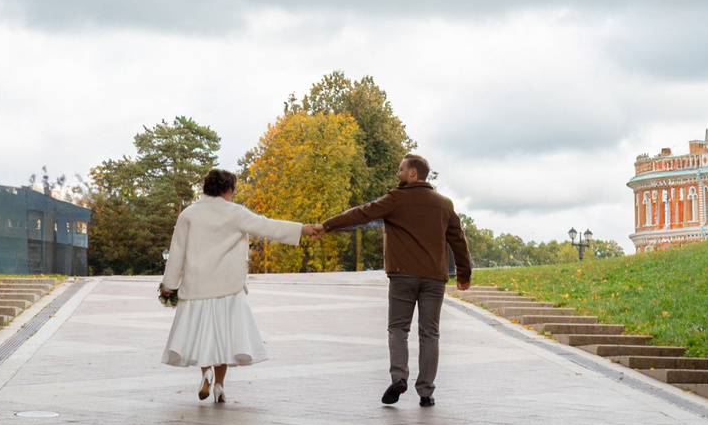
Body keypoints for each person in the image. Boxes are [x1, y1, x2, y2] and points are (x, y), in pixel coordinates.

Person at [319, 152, 472, 407]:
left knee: (399, 329)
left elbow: (360, 213)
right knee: (430, 333)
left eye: (401, 169)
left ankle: (399, 376)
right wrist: (464, 274)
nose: (398, 174)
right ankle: (426, 392)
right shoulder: (444, 205)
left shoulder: (396, 199)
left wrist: (326, 226)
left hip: (403, 276)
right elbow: (458, 240)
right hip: (434, 278)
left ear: (413, 173)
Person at [157, 168, 309, 404]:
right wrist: (302, 229)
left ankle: (205, 373)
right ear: (228, 189)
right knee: (224, 337)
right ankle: (219, 386)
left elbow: (177, 253)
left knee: (204, 337)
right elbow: (267, 226)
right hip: (228, 287)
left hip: (197, 287)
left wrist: (169, 285)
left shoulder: (188, 214)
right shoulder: (235, 213)